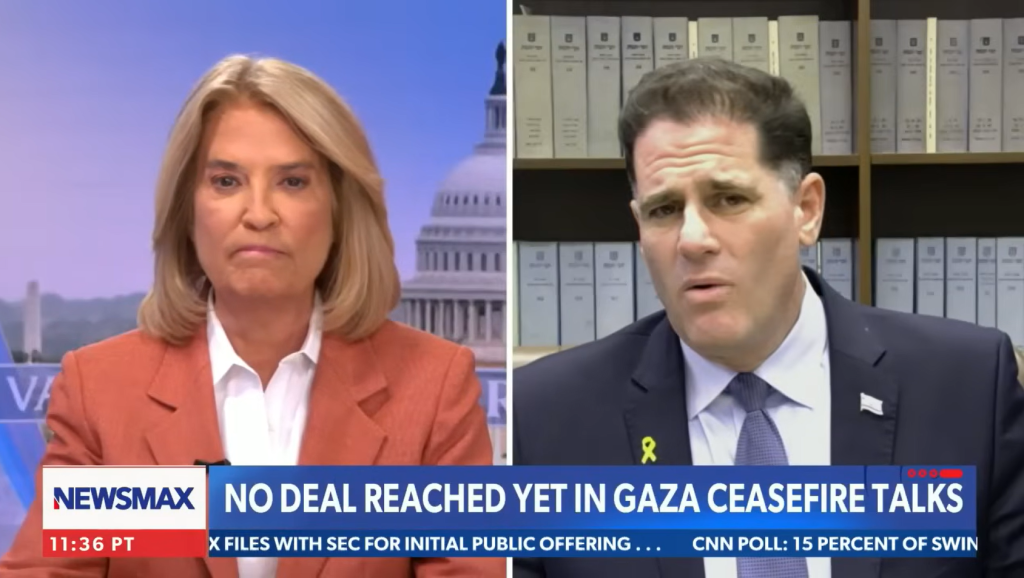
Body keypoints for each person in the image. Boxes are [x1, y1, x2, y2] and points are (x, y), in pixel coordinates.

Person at [512, 58, 1024, 578]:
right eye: (664, 210)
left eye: (728, 199)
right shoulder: (546, 419)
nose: (692, 239)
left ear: (807, 209)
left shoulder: (967, 387)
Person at [1, 54, 502, 578]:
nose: (259, 214)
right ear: (187, 212)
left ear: (340, 211)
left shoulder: (432, 389)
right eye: (226, 181)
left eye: (293, 182)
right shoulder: (102, 390)